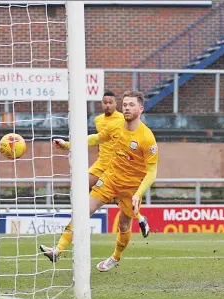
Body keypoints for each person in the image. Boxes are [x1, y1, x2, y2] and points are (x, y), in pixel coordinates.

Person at [40, 90, 158, 272]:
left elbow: (151, 172)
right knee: (83, 210)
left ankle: (116, 257)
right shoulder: (116, 126)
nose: (126, 108)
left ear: (140, 109)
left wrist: (138, 193)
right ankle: (58, 250)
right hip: (110, 179)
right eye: (125, 104)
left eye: (131, 105)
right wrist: (67, 144)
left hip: (131, 187)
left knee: (124, 225)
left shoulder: (147, 138)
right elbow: (95, 139)